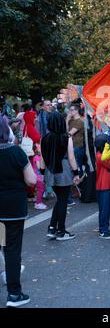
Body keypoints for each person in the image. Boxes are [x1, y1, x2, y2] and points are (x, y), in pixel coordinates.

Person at [0, 115, 36, 307]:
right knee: (12, 251)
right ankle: (14, 294)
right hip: (13, 209)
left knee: (0, 244)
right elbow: (31, 180)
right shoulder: (16, 152)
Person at [41, 112, 80, 240]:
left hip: (50, 170)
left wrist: (42, 172)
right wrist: (76, 172)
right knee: (63, 201)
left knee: (60, 199)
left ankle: (52, 228)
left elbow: (42, 159)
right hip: (63, 170)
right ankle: (61, 231)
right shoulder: (66, 137)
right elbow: (71, 157)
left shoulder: (44, 138)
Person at [95, 133, 110, 239]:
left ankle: (105, 228)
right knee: (104, 209)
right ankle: (103, 230)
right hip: (103, 186)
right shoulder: (101, 156)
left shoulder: (100, 155)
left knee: (105, 209)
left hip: (103, 186)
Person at [32, 143, 48, 210]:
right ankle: (38, 203)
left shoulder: (39, 156)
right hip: (39, 177)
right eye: (39, 147)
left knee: (41, 189)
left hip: (40, 176)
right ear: (36, 150)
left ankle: (38, 202)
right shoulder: (37, 157)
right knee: (41, 189)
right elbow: (39, 167)